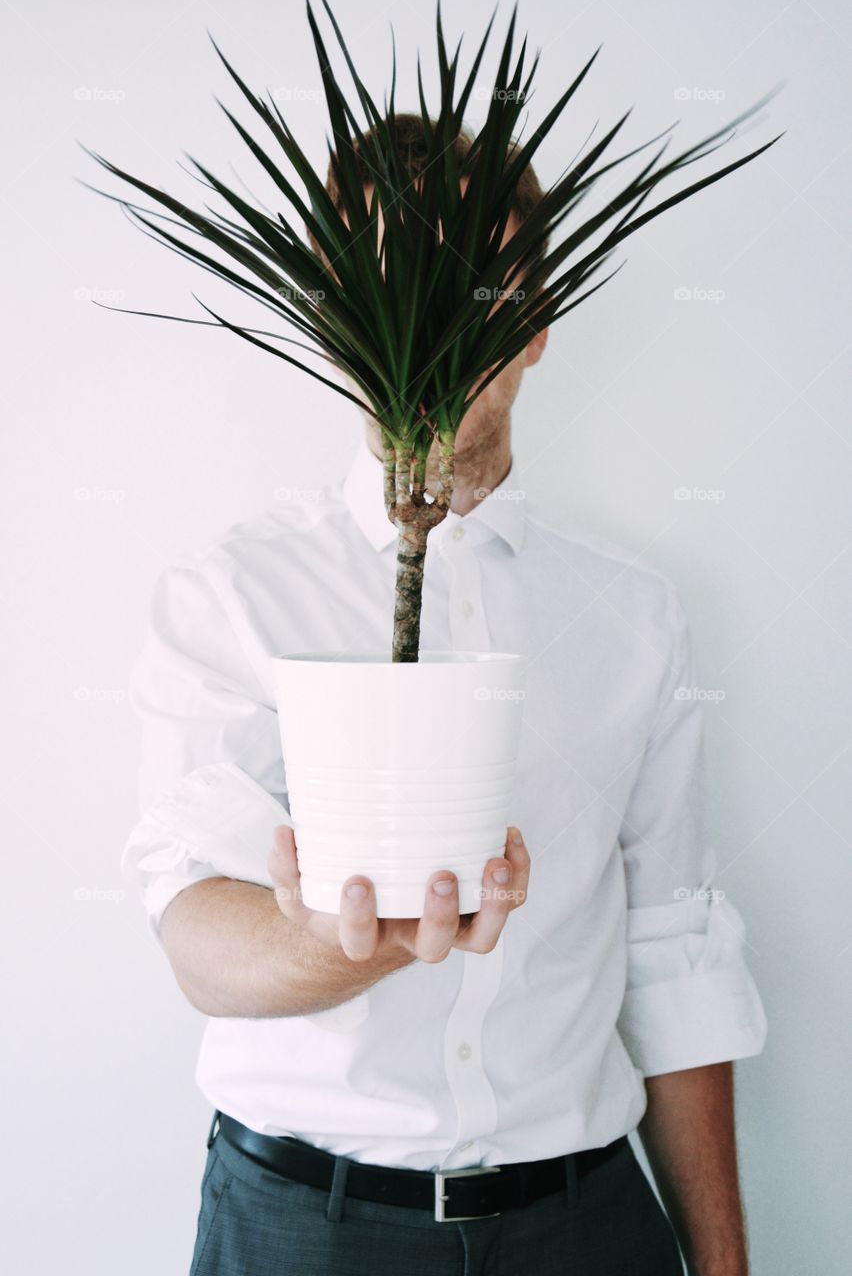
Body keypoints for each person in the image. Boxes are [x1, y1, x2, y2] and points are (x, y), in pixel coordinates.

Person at [121, 114, 767, 1276]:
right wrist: (355, 942)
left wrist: (723, 1263)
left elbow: (674, 958)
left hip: (586, 1223)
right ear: (336, 316)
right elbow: (197, 935)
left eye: (473, 290)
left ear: (537, 323)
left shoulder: (636, 617)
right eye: (389, 284)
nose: (428, 330)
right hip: (304, 1226)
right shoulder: (233, 596)